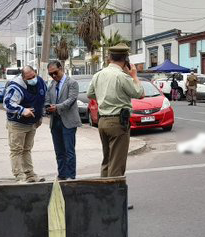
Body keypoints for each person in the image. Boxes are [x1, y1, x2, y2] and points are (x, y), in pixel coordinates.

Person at [87, 43, 144, 177]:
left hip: (102, 122)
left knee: (107, 160)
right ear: (126, 60)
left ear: (109, 58)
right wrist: (134, 76)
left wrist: (103, 98)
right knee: (117, 164)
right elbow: (140, 93)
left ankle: (103, 192)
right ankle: (113, 195)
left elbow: (90, 94)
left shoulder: (98, 75)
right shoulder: (122, 76)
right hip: (118, 122)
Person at [3, 65, 47, 183]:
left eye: (33, 76)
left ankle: (30, 174)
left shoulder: (40, 82)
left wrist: (40, 115)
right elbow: (7, 104)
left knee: (27, 149)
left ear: (36, 72)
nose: (32, 79)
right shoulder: (16, 87)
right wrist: (22, 110)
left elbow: (42, 99)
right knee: (16, 150)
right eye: (29, 78)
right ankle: (19, 176)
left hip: (32, 123)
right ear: (23, 78)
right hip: (18, 123)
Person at [45, 60, 79, 180]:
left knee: (69, 151)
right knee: (59, 152)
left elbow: (71, 100)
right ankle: (62, 175)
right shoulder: (51, 85)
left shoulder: (72, 83)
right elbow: (47, 100)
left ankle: (71, 176)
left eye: (55, 73)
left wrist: (57, 107)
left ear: (61, 68)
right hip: (55, 122)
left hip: (68, 121)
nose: (53, 76)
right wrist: (47, 107)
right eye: (50, 74)